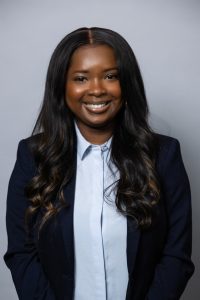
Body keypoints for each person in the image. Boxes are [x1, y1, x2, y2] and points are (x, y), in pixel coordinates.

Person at [4, 27, 194, 300]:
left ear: (126, 83)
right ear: (62, 86)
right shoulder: (33, 156)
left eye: (110, 76)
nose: (96, 89)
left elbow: (176, 255)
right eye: (81, 78)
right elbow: (21, 253)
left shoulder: (164, 154)